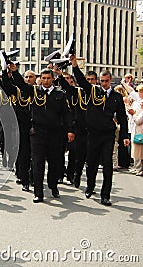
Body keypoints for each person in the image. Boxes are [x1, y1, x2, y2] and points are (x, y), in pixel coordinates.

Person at [10, 64, 74, 203]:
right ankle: (38, 192)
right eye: (43, 78)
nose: (45, 81)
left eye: (48, 78)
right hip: (37, 132)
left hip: (55, 133)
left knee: (54, 162)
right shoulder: (34, 91)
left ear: (52, 79)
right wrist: (15, 71)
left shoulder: (60, 94)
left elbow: (66, 113)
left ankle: (53, 186)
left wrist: (70, 129)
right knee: (37, 162)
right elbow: (21, 84)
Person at [71, 55, 130, 206]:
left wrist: (124, 136)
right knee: (91, 164)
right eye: (101, 81)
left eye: (106, 81)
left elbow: (122, 118)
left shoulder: (116, 97)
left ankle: (106, 195)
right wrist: (75, 65)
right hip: (92, 134)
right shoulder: (92, 92)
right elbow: (82, 81)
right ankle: (90, 186)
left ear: (110, 81)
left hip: (108, 135)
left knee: (107, 166)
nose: (104, 84)